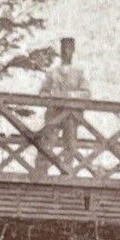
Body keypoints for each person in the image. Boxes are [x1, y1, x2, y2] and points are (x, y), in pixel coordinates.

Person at [35, 37, 90, 175]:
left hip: (71, 115)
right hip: (54, 113)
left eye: (69, 49)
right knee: (47, 142)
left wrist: (69, 95)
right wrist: (50, 95)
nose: (66, 52)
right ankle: (42, 171)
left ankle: (67, 172)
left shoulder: (79, 73)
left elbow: (86, 93)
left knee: (70, 144)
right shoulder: (52, 72)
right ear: (60, 51)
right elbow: (43, 92)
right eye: (64, 49)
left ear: (73, 51)